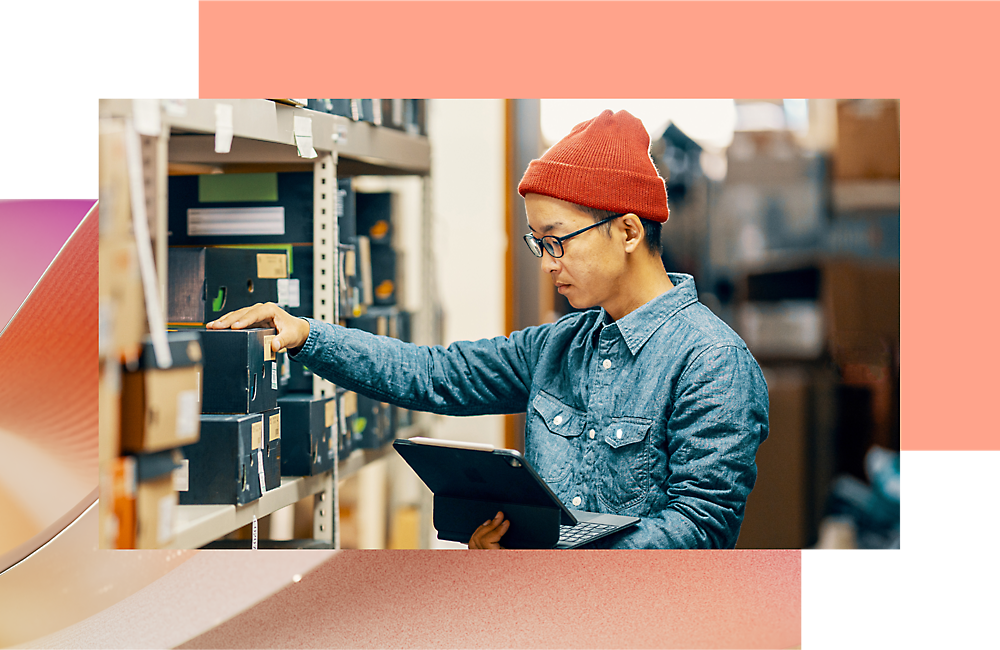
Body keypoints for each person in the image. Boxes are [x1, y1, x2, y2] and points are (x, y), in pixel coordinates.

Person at [207, 109, 769, 549]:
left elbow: (698, 531)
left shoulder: (712, 363)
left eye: (558, 240)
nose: (547, 263)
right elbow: (434, 374)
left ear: (626, 231)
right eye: (537, 244)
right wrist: (307, 335)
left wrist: (552, 563)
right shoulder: (559, 345)